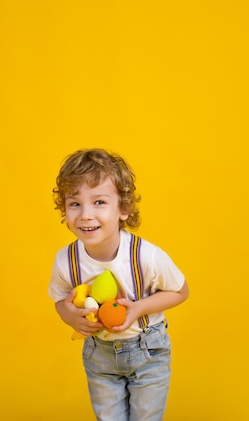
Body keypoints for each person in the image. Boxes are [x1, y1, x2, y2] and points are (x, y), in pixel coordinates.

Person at [48, 148, 189, 421]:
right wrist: (70, 317)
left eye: (99, 202)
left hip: (148, 353)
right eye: (75, 203)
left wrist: (138, 309)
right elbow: (58, 299)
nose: (86, 215)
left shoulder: (144, 255)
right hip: (100, 357)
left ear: (123, 209)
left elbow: (181, 291)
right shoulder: (66, 261)